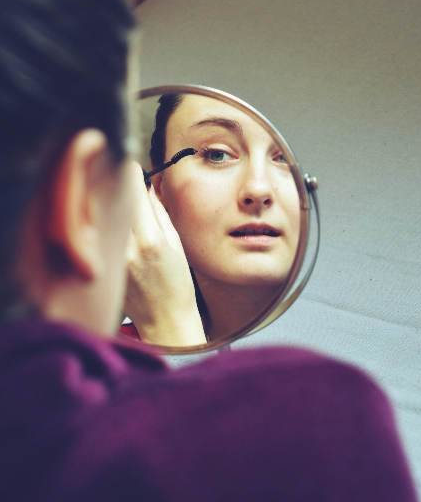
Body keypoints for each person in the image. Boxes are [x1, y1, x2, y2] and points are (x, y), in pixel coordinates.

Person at [0, 0, 421, 502]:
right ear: (128, 195)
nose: (259, 188)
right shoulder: (297, 423)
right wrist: (172, 324)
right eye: (216, 153)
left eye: (283, 164)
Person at [122, 92, 301, 343]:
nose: (259, 190)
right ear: (159, 185)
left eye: (285, 158)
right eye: (217, 154)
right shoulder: (95, 362)